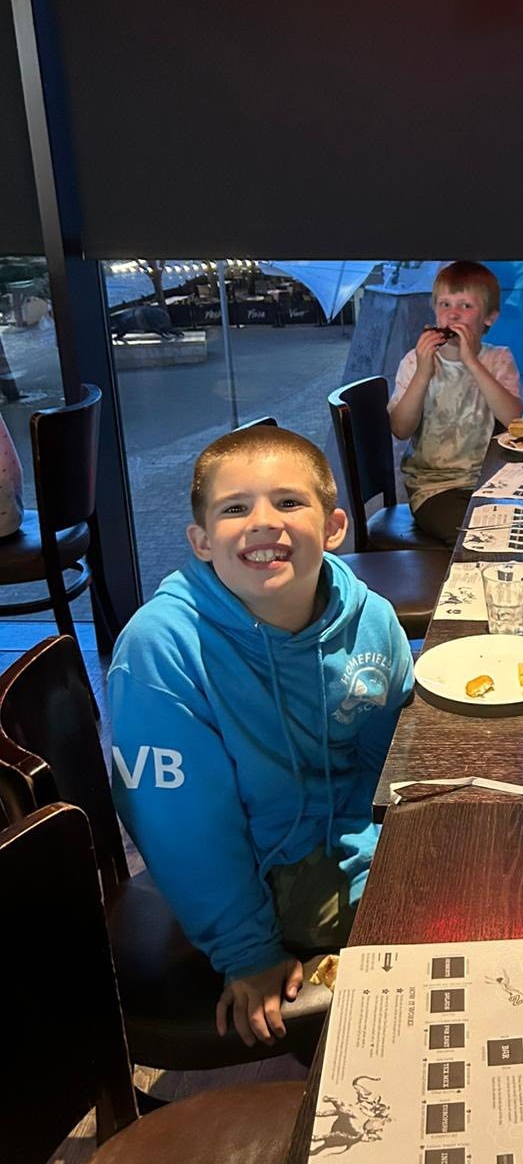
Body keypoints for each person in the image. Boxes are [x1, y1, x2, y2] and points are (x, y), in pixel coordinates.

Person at [108, 425, 414, 1048]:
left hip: (354, 840)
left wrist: (408, 839)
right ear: (200, 540)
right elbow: (184, 829)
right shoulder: (160, 650)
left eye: (288, 502)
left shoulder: (372, 618)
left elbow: (389, 755)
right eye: (234, 508)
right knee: (442, 938)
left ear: (333, 527)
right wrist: (247, 952)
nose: (263, 522)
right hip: (261, 873)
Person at [387, 261, 523, 544]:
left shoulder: (498, 359)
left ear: (489, 317)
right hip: (434, 489)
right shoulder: (415, 362)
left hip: (494, 481)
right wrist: (423, 374)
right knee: (477, 537)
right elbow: (400, 429)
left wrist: (471, 362)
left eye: (466, 306)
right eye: (445, 304)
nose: (453, 314)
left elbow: (514, 421)